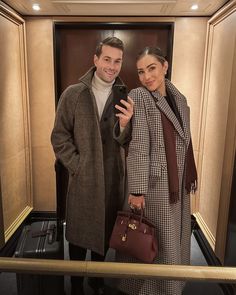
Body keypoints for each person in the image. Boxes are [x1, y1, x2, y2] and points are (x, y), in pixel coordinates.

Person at [51, 36, 134, 295]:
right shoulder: (73, 94)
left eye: (117, 61)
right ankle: (76, 285)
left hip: (112, 179)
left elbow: (129, 141)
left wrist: (125, 125)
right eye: (107, 59)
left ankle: (96, 281)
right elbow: (59, 136)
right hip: (83, 180)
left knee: (104, 234)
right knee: (77, 236)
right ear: (95, 59)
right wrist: (78, 165)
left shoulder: (125, 96)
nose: (112, 66)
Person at [117, 46, 197, 295]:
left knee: (171, 237)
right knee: (154, 239)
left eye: (151, 68)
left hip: (177, 183)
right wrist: (137, 190)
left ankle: (172, 282)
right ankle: (152, 288)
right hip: (154, 185)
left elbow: (185, 141)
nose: (146, 77)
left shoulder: (180, 99)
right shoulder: (139, 96)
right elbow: (139, 146)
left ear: (165, 66)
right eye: (141, 72)